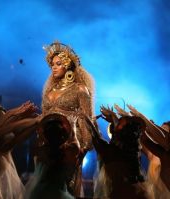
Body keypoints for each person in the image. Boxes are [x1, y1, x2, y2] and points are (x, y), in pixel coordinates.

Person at [41, 41, 95, 196]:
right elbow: (44, 119)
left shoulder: (80, 89)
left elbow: (86, 118)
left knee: (68, 186)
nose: (54, 67)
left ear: (67, 65)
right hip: (49, 144)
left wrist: (84, 148)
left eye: (58, 64)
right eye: (52, 64)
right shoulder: (50, 91)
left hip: (71, 143)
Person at [85, 107, 153, 199]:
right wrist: (113, 118)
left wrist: (88, 119)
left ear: (122, 132)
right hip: (139, 193)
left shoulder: (111, 151)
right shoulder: (133, 149)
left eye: (119, 123)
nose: (116, 123)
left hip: (121, 194)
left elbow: (95, 136)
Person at [0, 103, 38, 199]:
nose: (8, 122)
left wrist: (36, 123)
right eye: (3, 119)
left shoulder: (5, 139)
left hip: (5, 189)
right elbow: (5, 129)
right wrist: (32, 120)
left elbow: (17, 137)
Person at [25, 113, 79, 199]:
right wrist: (73, 127)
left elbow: (39, 140)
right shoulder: (68, 153)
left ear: (45, 135)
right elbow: (76, 145)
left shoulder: (40, 152)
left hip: (40, 193)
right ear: (63, 135)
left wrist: (39, 127)